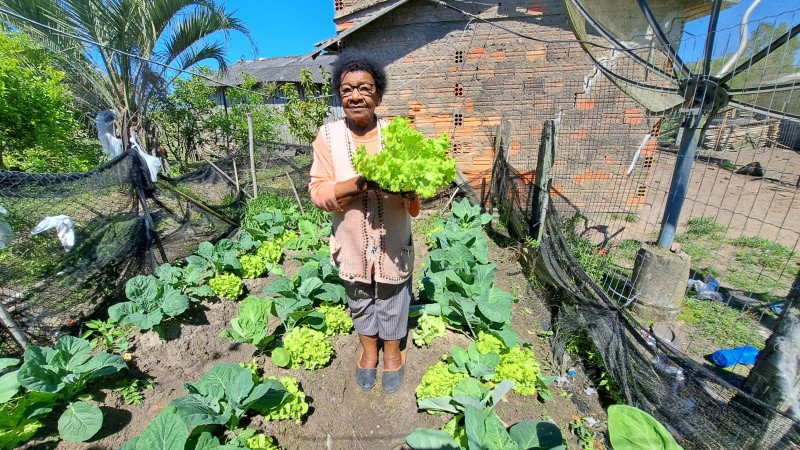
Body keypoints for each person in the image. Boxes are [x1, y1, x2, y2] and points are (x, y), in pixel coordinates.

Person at [308, 54, 420, 393]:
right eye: (346, 90)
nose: (355, 96)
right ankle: (368, 355)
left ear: (378, 96)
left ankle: (391, 357)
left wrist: (409, 188)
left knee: (393, 297)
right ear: (339, 96)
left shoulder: (398, 133)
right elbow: (318, 190)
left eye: (364, 88)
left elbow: (416, 198)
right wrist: (359, 184)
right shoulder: (327, 136)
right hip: (351, 241)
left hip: (393, 239)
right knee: (359, 297)